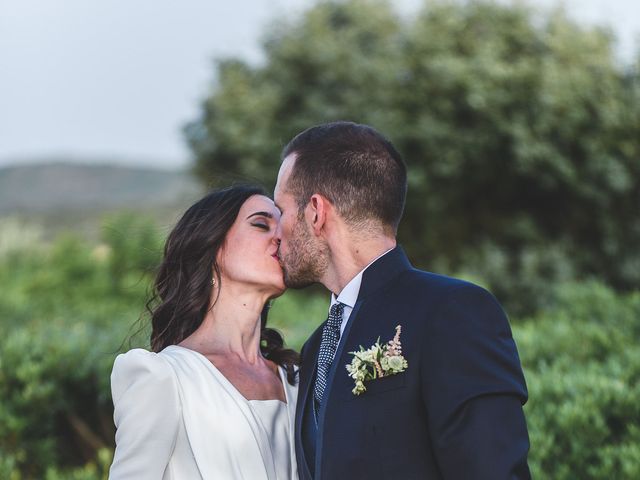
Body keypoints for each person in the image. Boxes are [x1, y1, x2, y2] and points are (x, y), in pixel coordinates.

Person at [274, 121, 530, 480]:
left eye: (280, 210)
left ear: (316, 211)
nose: (276, 230)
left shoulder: (452, 312)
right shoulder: (318, 345)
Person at [109, 185, 299, 480]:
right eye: (262, 224)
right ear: (214, 247)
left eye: (284, 228)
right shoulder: (163, 377)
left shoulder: (298, 378)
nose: (281, 237)